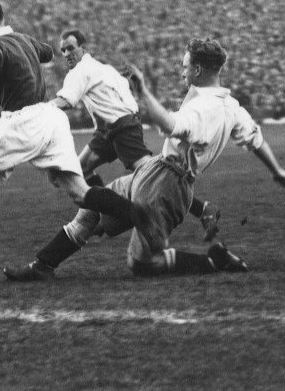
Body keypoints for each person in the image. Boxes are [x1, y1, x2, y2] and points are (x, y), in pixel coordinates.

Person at [4, 37, 285, 282]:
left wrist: (144, 94)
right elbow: (255, 139)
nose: (181, 71)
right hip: (157, 170)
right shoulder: (232, 106)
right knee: (90, 213)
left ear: (197, 69)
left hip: (168, 186)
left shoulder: (204, 109)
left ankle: (213, 261)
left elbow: (172, 125)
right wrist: (277, 170)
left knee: (142, 264)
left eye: (184, 66)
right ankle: (43, 265)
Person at [0, 0, 164, 280]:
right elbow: (48, 53)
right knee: (80, 191)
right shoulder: (25, 40)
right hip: (52, 120)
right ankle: (139, 214)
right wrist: (29, 50)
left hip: (23, 120)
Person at [54, 27, 221, 240]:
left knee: (152, 174)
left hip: (121, 127)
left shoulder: (81, 71)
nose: (67, 54)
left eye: (70, 48)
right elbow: (124, 87)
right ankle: (102, 212)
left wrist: (40, 109)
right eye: (63, 51)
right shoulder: (103, 69)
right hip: (108, 130)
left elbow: (67, 101)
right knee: (78, 171)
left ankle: (203, 209)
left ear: (83, 49)